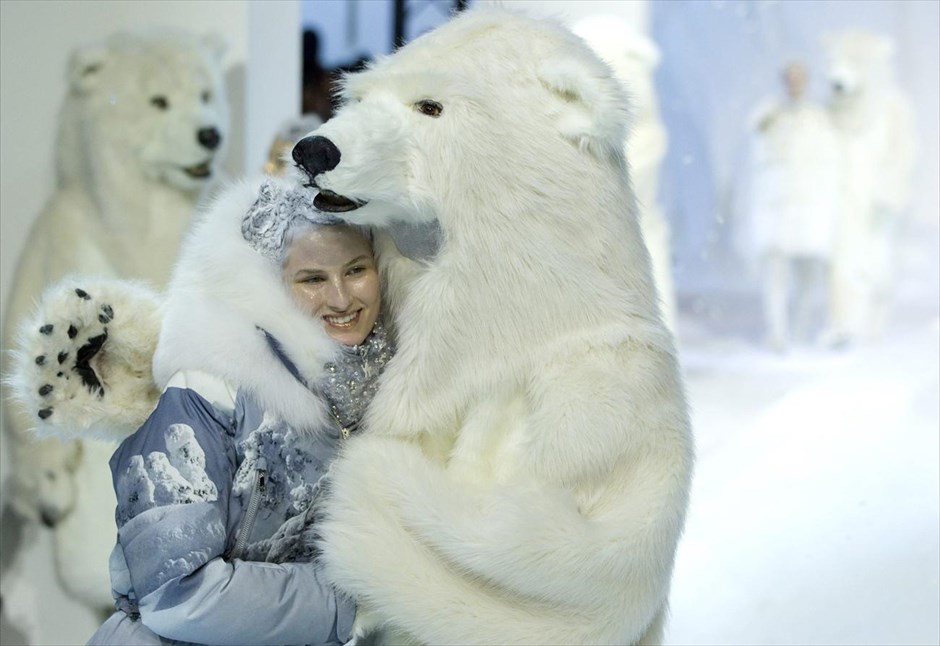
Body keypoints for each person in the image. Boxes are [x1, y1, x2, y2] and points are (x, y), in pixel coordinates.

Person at [87, 177, 393, 645]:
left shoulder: (396, 392)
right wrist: (350, 603)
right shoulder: (207, 387)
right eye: (312, 279)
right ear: (272, 285)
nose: (341, 298)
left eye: (356, 270)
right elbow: (176, 592)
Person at [746, 61, 843, 351]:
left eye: (800, 78)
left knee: (808, 273)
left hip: (809, 205)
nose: (795, 84)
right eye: (790, 78)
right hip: (776, 205)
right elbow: (757, 147)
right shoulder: (770, 114)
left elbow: (829, 160)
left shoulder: (818, 118)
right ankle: (778, 331)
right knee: (775, 270)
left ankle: (800, 328)